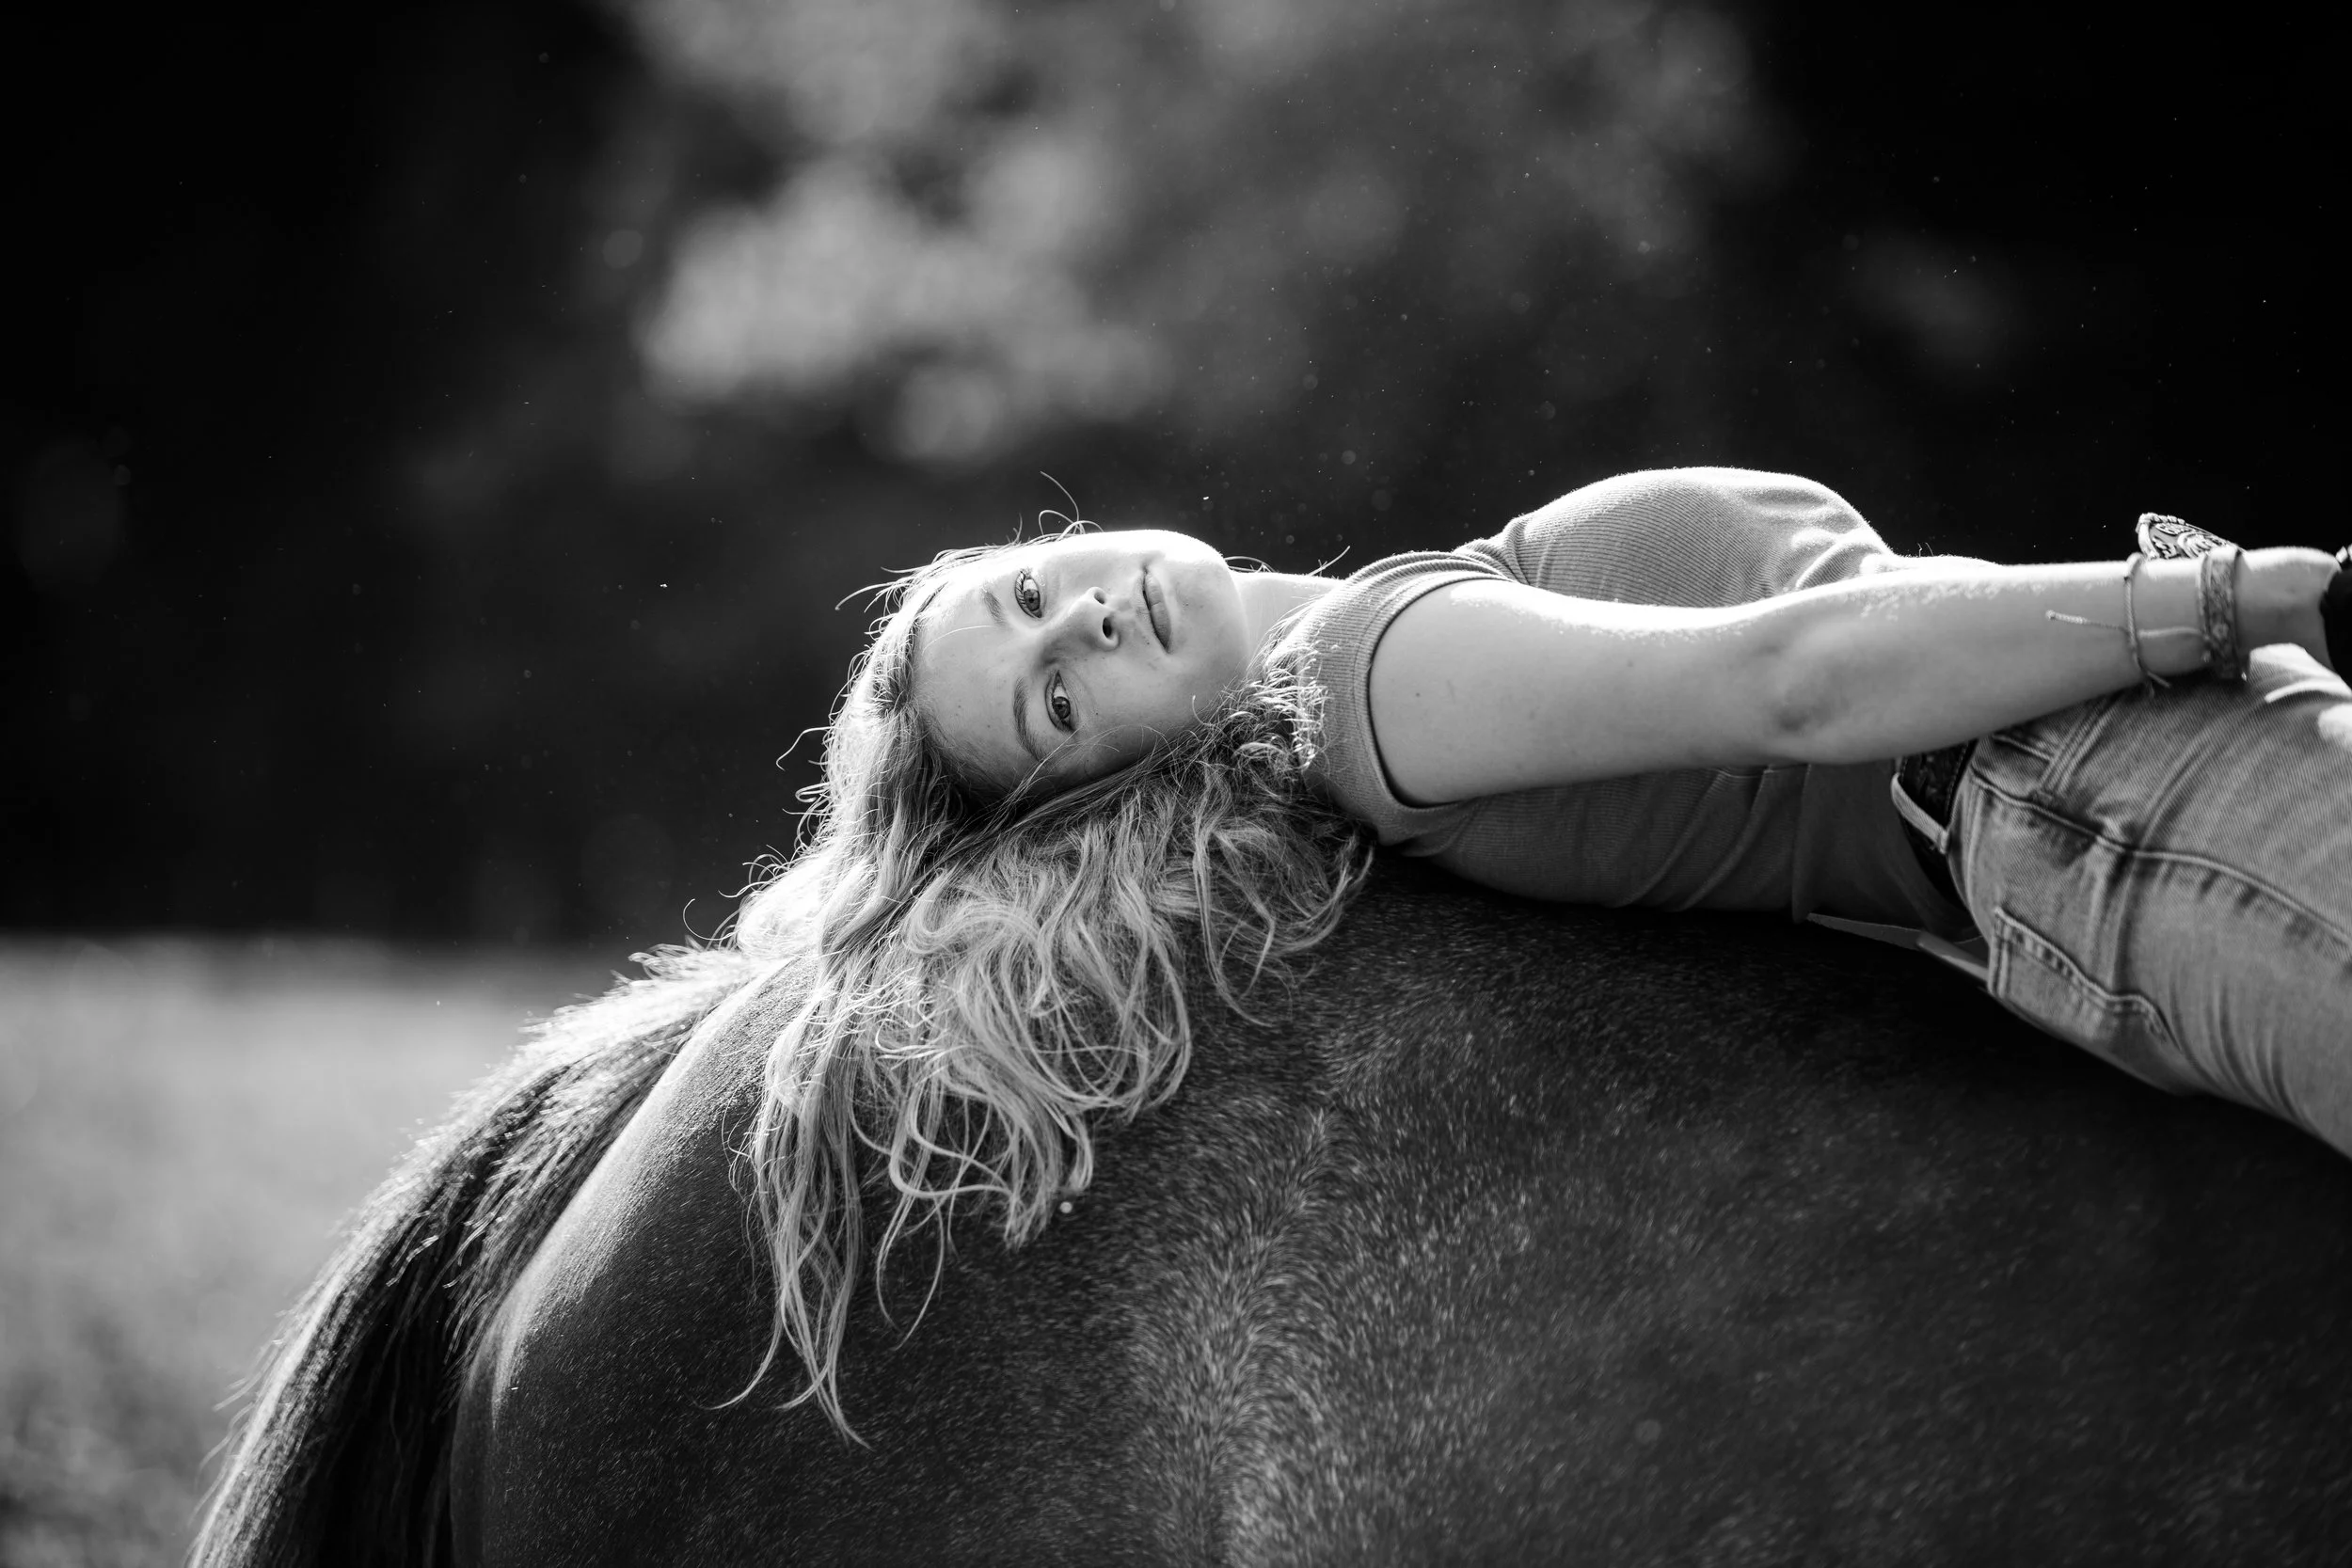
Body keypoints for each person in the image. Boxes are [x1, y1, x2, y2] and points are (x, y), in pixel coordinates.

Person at [731, 467, 2349, 1430]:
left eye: (1029, 592)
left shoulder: (1381, 615)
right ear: (1103, 783)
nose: (1078, 624)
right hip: (2108, 811)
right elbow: (1795, 682)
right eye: (1055, 704)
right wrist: (2197, 603)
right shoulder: (1373, 681)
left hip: (2128, 783)